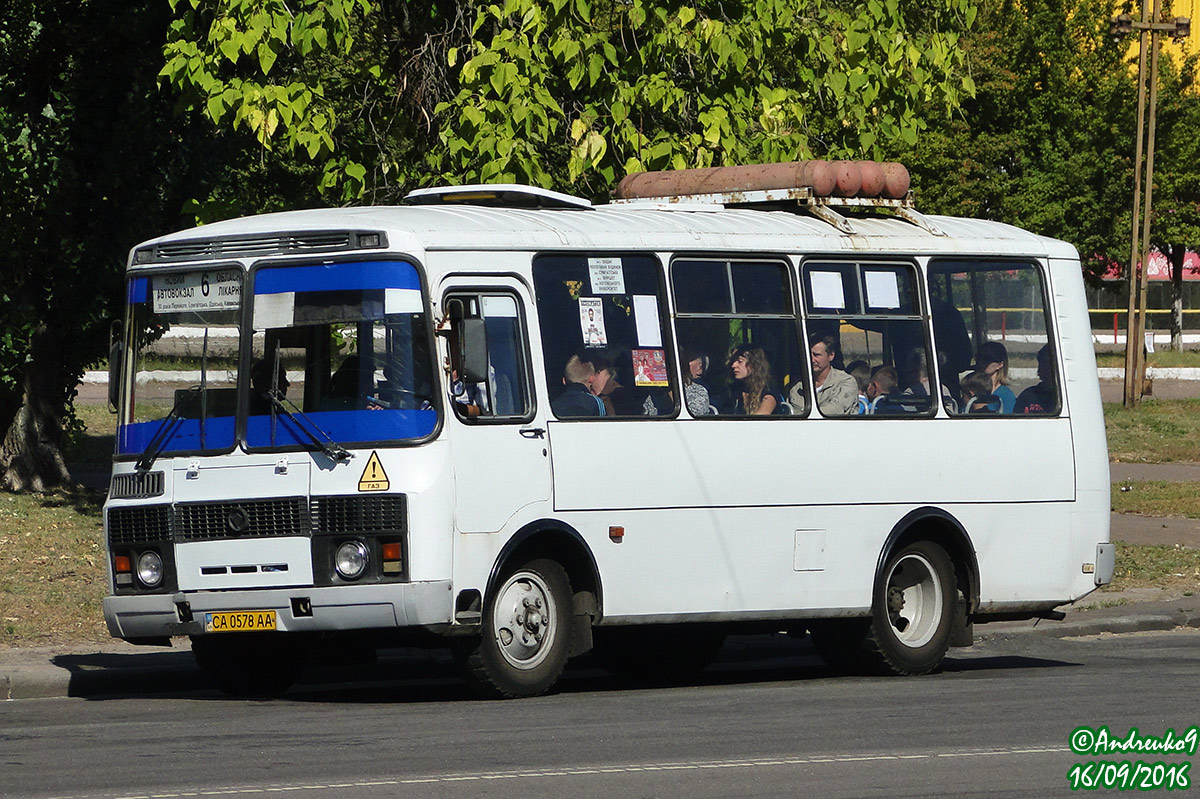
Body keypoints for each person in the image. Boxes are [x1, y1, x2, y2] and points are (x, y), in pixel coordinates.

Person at [794, 333, 857, 415]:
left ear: (831, 355)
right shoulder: (798, 385)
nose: (812, 360)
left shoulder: (846, 382)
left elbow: (836, 409)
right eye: (809, 355)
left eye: (817, 355)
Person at [729, 345, 777, 415]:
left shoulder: (768, 389)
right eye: (733, 361)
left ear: (753, 364)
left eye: (740, 361)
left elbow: (763, 414)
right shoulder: (734, 389)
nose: (733, 365)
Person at [973, 341, 1016, 414]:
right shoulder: (971, 387)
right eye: (978, 358)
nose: (980, 362)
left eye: (986, 359)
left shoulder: (1006, 395)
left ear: (1000, 365)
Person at [1015, 344, 1057, 414]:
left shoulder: (1068, 397)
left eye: (1049, 364)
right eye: (1043, 364)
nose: (1045, 368)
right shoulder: (1028, 396)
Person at [680, 347, 713, 416]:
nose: (700, 371)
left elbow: (695, 416)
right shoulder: (656, 389)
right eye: (700, 365)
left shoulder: (699, 391)